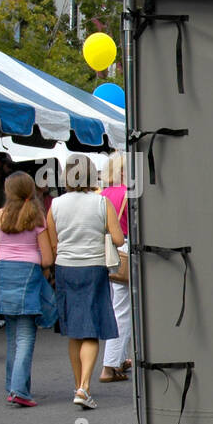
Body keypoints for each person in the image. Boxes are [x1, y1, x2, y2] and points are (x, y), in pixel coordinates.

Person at [47, 157, 122, 408]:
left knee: (74, 331)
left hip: (65, 268)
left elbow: (53, 240)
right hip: (94, 267)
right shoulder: (102, 203)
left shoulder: (56, 204)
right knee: (90, 329)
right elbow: (119, 239)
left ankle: (78, 383)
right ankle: (84, 387)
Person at [0, 172, 57, 406]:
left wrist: (2, 257)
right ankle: (20, 390)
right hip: (28, 277)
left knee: (13, 336)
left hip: (3, 275)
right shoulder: (36, 218)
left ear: (7, 191)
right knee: (25, 336)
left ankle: (13, 386)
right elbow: (47, 259)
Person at [97, 152, 132, 384]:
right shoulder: (128, 194)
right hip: (125, 250)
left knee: (118, 306)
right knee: (123, 310)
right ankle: (110, 364)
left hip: (105, 253)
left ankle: (118, 359)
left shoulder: (101, 195)